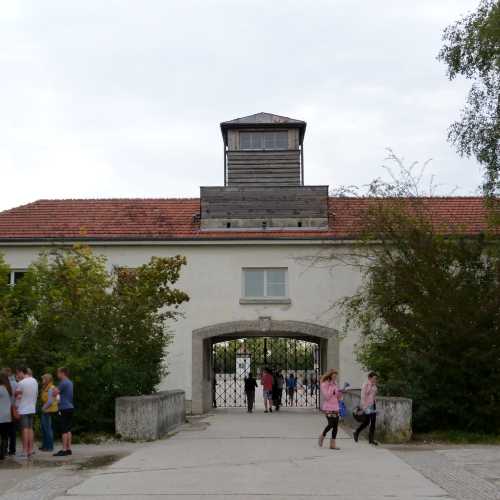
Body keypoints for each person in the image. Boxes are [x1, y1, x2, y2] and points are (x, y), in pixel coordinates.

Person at [15, 367, 38, 458]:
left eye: (18, 373)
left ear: (22, 372)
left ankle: (24, 451)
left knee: (24, 429)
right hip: (32, 407)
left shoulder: (21, 382)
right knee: (30, 429)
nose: (17, 375)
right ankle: (30, 449)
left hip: (24, 409)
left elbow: (16, 394)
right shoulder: (34, 380)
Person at [318, 369, 342, 450]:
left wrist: (340, 392)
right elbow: (327, 396)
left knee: (336, 426)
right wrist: (331, 387)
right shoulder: (324, 384)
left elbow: (337, 397)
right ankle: (322, 436)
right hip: (328, 407)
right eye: (334, 376)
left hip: (336, 406)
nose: (335, 377)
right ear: (330, 375)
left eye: (336, 376)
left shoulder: (335, 384)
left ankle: (332, 444)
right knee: (331, 424)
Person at [53, 367, 74, 456]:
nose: (57, 375)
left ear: (62, 373)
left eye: (58, 373)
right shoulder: (70, 382)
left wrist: (54, 389)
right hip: (70, 406)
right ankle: (69, 448)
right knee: (68, 429)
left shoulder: (63, 383)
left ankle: (64, 449)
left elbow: (55, 393)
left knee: (64, 429)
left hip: (64, 407)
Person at [353, 372, 378, 445]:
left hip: (373, 405)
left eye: (376, 378)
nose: (375, 380)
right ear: (369, 378)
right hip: (367, 406)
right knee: (367, 422)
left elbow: (373, 395)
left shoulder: (374, 385)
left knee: (373, 423)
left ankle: (371, 439)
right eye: (374, 378)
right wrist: (364, 407)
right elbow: (363, 396)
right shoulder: (366, 385)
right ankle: (356, 432)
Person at [40, 373, 58, 452]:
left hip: (47, 410)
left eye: (43, 379)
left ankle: (49, 447)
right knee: (44, 428)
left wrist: (43, 408)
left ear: (47, 380)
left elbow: (50, 401)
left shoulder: (51, 388)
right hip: (46, 409)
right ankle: (45, 445)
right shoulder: (46, 387)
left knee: (47, 428)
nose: (42, 380)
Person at [2, 368, 17, 456]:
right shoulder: (15, 384)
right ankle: (12, 449)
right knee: (12, 431)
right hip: (13, 409)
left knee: (4, 431)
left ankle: (4, 450)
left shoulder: (3, 386)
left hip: (4, 410)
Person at [0, 374, 12, 460]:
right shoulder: (8, 389)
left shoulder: (0, 389)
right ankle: (3, 452)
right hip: (7, 416)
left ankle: (1, 453)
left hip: (1, 416)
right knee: (4, 435)